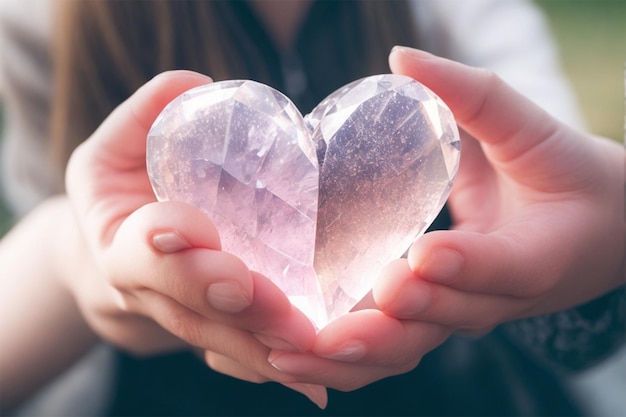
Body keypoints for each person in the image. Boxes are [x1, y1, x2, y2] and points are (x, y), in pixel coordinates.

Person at [0, 0, 623, 415]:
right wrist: (71, 261)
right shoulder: (42, 22)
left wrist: (606, 240)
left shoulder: (465, 15)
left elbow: (577, 309)